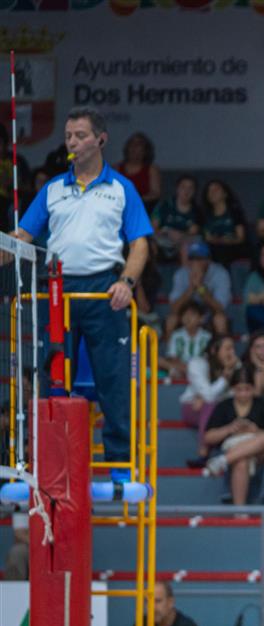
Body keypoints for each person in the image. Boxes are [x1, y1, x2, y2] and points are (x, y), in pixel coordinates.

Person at [11, 108, 153, 475]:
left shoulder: (122, 188)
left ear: (101, 139)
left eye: (80, 135)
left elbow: (140, 244)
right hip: (57, 289)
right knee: (51, 378)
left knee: (114, 380)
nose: (72, 142)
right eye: (68, 136)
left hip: (105, 291)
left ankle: (120, 463)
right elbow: (21, 238)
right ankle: (51, 462)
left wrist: (127, 283)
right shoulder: (52, 189)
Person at [203, 367, 264, 506]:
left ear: (253, 388)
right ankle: (240, 512)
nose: (243, 394)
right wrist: (230, 429)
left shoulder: (262, 405)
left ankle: (223, 461)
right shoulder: (224, 406)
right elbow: (208, 437)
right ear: (232, 389)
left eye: (247, 389)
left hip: (259, 453)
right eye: (239, 390)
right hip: (233, 446)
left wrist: (255, 430)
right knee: (241, 462)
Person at [180, 334, 239, 462]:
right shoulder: (197, 364)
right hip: (192, 408)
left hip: (222, 408)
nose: (232, 353)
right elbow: (209, 396)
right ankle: (203, 451)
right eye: (228, 349)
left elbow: (237, 394)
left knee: (211, 404)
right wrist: (226, 375)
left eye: (233, 348)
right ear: (213, 350)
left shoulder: (236, 365)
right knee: (209, 405)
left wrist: (205, 398)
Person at [165, 239, 231, 339]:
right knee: (171, 320)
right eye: (192, 259)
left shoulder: (220, 273)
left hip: (209, 314)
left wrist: (200, 287)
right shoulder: (181, 274)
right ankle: (170, 349)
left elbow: (220, 308)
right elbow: (174, 308)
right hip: (187, 315)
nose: (195, 263)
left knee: (220, 319)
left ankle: (221, 347)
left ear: (208, 259)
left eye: (199, 259)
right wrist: (191, 289)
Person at [150, 173, 201, 265]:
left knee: (192, 243)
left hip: (183, 242)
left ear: (194, 191)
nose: (186, 191)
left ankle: (184, 272)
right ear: (177, 189)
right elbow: (153, 227)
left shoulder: (197, 211)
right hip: (162, 239)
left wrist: (181, 235)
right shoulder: (164, 205)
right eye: (183, 187)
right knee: (148, 242)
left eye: (190, 188)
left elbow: (193, 232)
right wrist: (167, 232)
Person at [201, 179, 249, 267]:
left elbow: (240, 237)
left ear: (225, 194)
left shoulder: (235, 212)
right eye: (209, 191)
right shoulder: (206, 216)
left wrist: (226, 240)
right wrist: (219, 240)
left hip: (233, 246)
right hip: (214, 247)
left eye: (216, 189)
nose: (212, 193)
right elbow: (208, 238)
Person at [162, 302, 211, 381]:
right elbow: (173, 357)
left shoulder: (207, 336)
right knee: (158, 360)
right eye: (184, 315)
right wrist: (184, 367)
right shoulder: (176, 335)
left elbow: (208, 358)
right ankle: (186, 373)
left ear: (201, 319)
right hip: (181, 367)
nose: (187, 318)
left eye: (192, 315)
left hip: (199, 368)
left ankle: (186, 374)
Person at [116, 131, 162, 209]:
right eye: (132, 143)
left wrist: (136, 200)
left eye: (139, 144)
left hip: (144, 207)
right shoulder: (117, 168)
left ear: (145, 150)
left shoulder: (152, 169)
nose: (134, 147)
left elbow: (155, 193)